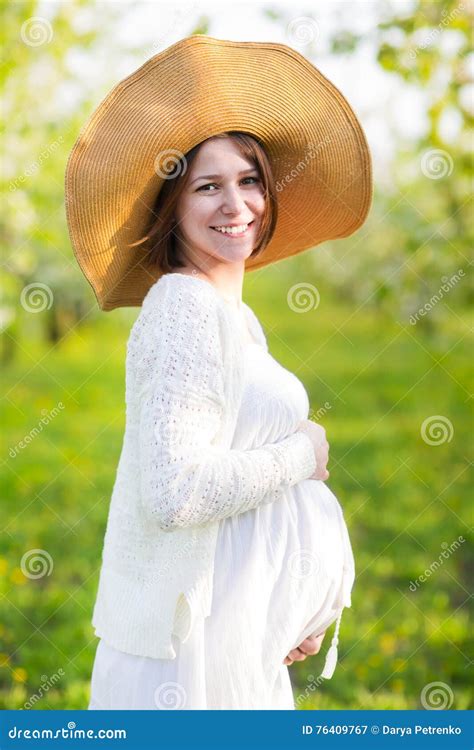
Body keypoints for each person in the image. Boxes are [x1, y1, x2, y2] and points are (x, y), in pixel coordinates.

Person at [65, 35, 372, 710]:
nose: (237, 204)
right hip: (189, 663)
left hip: (235, 633)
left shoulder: (235, 318)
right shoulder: (183, 306)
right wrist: (302, 453)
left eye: (250, 180)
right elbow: (177, 493)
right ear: (171, 206)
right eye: (208, 186)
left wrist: (289, 601)